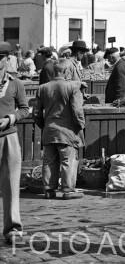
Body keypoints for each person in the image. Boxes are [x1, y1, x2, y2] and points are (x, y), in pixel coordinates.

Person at [34, 60, 85, 200]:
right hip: (67, 131)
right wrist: (80, 126)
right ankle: (67, 190)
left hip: (49, 130)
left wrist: (44, 125)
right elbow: (77, 111)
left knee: (49, 161)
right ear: (67, 71)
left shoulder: (42, 88)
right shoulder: (73, 87)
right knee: (67, 161)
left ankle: (49, 190)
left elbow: (36, 113)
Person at [0, 42, 30, 243]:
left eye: (1, 57)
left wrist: (9, 119)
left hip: (8, 137)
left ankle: (13, 228)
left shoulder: (16, 83)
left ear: (6, 59)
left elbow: (25, 109)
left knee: (11, 184)